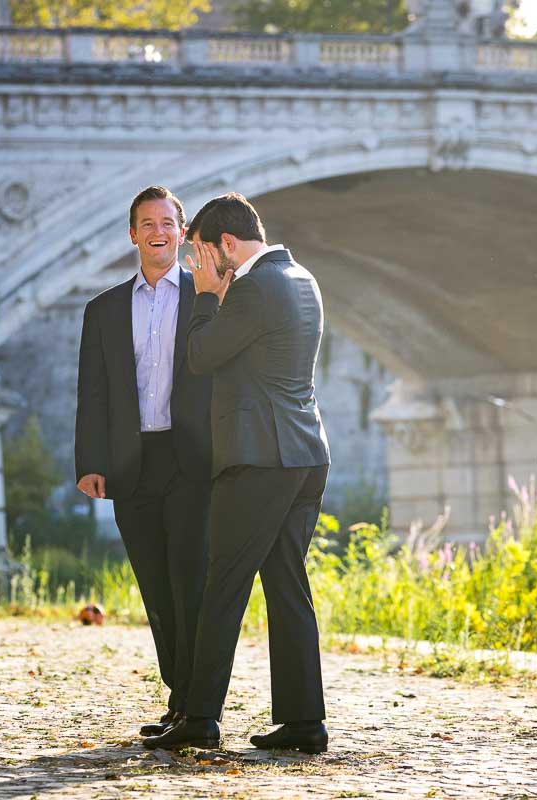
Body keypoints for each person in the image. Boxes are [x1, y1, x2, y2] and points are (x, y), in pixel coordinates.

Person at [143, 193, 331, 754]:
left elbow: (201, 355)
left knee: (221, 586)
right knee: (288, 587)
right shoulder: (302, 277)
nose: (197, 264)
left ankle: (199, 718)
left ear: (227, 244)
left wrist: (204, 296)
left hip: (259, 459)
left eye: (200, 253)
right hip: (305, 456)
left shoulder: (251, 289)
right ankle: (304, 723)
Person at [74, 185, 212, 738]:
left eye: (168, 223)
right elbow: (94, 392)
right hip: (133, 464)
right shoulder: (103, 309)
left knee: (191, 583)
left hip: (192, 461)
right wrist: (90, 461)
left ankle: (199, 707)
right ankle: (180, 699)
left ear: (182, 233)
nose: (158, 231)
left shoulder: (207, 299)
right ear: (132, 234)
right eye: (147, 223)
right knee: (156, 587)